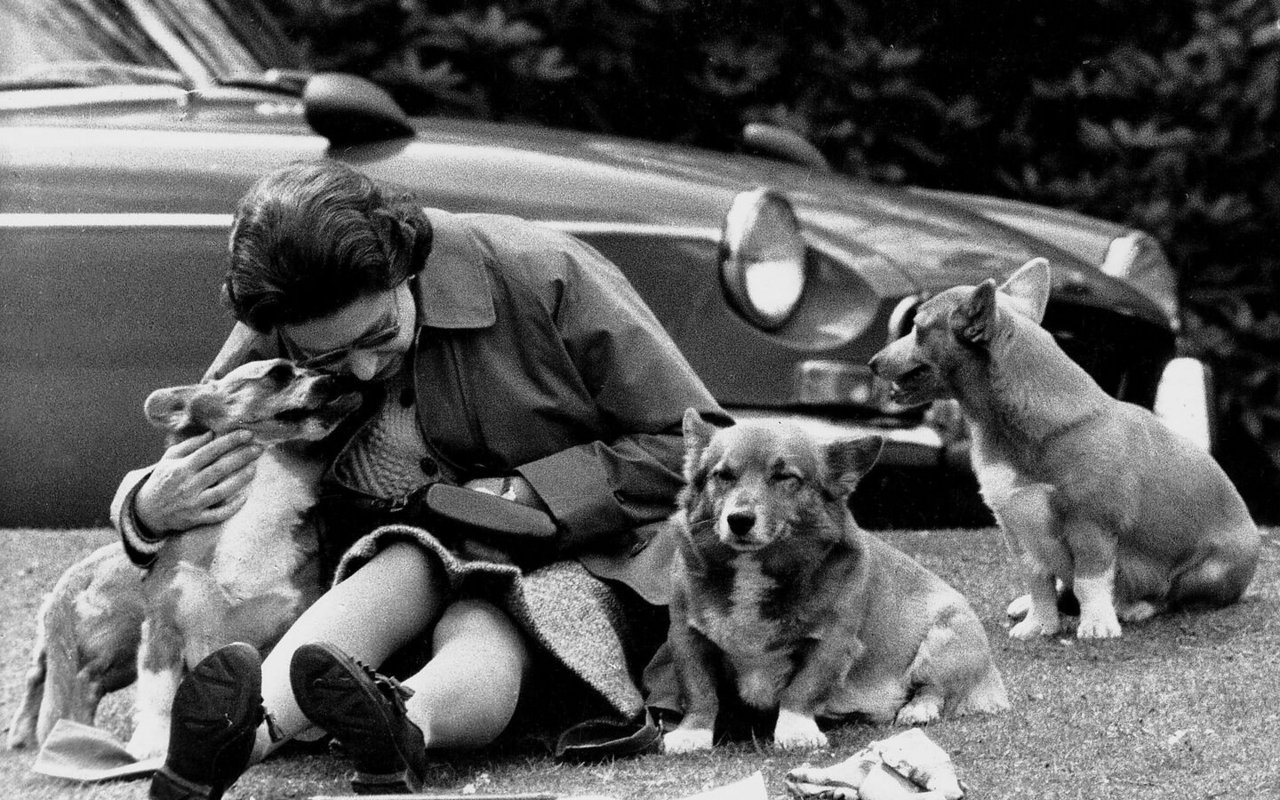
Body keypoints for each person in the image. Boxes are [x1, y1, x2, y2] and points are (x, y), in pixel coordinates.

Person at [109, 159, 728, 800]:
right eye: (327, 358)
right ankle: (238, 736)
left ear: (406, 263)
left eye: (379, 333)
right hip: (405, 559)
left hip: (587, 557)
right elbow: (205, 430)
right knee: (410, 557)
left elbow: (697, 444)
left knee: (489, 617)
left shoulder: (543, 273)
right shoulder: (289, 313)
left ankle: (405, 719)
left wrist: (530, 493)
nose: (364, 367)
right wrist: (145, 506)